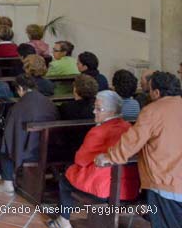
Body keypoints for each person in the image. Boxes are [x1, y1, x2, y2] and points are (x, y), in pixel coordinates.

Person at [96, 72, 182, 227]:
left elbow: (132, 140)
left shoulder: (153, 110)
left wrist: (111, 156)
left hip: (165, 180)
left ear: (156, 92)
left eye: (149, 91)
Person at [47, 91, 139, 228]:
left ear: (112, 111)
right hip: (128, 187)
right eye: (94, 107)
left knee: (66, 177)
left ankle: (63, 220)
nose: (94, 112)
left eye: (98, 109)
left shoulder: (99, 131)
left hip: (103, 188)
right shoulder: (129, 127)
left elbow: (81, 159)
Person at [0, 75, 59, 195]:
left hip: (31, 150)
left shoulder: (18, 107)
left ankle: (7, 183)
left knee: (4, 146)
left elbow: (10, 135)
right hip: (49, 144)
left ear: (20, 88)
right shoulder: (48, 102)